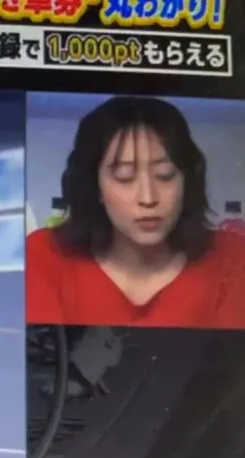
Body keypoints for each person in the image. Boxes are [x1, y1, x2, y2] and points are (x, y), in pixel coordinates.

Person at [26, 96, 245, 329]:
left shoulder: (233, 257)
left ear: (187, 181)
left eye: (165, 175)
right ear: (95, 187)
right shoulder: (45, 255)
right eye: (125, 177)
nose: (148, 198)